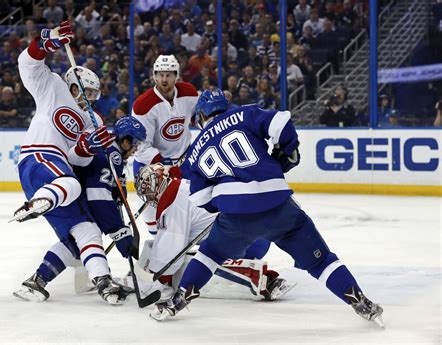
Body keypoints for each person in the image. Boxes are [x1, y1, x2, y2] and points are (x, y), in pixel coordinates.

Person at [149, 88, 384, 328]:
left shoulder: (196, 148)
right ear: (226, 106)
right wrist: (286, 152)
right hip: (279, 206)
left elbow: (199, 197)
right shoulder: (244, 114)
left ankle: (179, 300)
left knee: (210, 254)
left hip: (235, 218)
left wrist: (221, 204)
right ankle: (361, 302)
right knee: (321, 261)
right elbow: (282, 122)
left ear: (200, 117)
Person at [11, 21, 128, 305]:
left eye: (93, 96)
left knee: (85, 231)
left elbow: (77, 156)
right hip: (38, 158)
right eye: (86, 93)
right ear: (74, 86)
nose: (90, 100)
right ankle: (35, 205)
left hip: (59, 174)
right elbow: (27, 65)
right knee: (70, 184)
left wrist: (89, 146)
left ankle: (95, 282)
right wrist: (44, 45)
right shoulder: (52, 87)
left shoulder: (94, 121)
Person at [13, 116, 147, 302]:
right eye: (135, 143)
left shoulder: (108, 151)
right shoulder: (110, 155)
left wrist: (118, 191)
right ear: (125, 141)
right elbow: (98, 196)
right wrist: (117, 230)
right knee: (89, 232)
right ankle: (104, 283)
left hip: (64, 194)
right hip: (69, 193)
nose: (136, 149)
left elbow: (107, 189)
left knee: (76, 242)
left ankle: (37, 281)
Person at [131, 163, 295, 302]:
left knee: (198, 261)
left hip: (250, 240)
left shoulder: (172, 201)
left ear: (158, 183)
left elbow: (170, 253)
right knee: (193, 256)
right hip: (255, 231)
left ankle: (261, 278)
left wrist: (156, 279)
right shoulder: (181, 186)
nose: (148, 196)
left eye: (148, 189)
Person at [131, 54, 198, 234]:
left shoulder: (189, 93)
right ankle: (156, 240)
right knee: (151, 204)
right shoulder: (143, 106)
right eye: (160, 74)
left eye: (168, 74)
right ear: (154, 75)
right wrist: (163, 164)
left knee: (194, 200)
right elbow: (140, 146)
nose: (164, 79)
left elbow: (198, 117)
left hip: (184, 159)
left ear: (176, 76)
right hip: (151, 163)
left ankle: (186, 238)